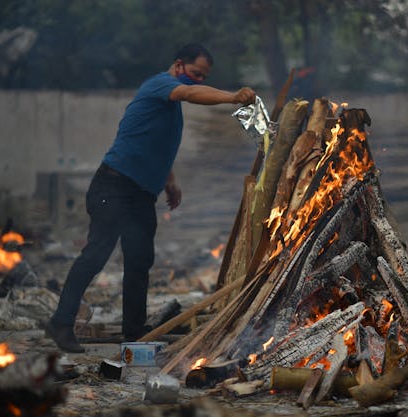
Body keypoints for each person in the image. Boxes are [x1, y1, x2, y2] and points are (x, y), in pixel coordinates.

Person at [45, 44, 256, 353]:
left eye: (203, 77)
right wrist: (232, 97)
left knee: (139, 261)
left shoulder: (169, 105)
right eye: (196, 74)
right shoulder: (162, 85)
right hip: (113, 185)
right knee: (95, 256)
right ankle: (61, 323)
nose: (197, 81)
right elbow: (190, 94)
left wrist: (169, 181)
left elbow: (155, 143)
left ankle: (134, 334)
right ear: (179, 65)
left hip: (141, 195)